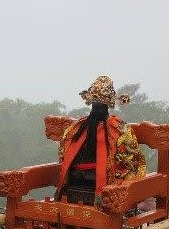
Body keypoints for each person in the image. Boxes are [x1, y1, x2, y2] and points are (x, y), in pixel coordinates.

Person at [53, 75, 147, 206]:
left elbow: (63, 157)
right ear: (108, 105)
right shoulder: (120, 128)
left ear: (92, 104)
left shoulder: (77, 127)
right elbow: (134, 162)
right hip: (102, 189)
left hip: (74, 183)